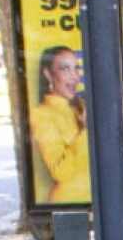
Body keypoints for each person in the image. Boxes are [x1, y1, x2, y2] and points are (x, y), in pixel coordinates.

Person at [31, 45, 90, 203]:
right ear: (48, 75)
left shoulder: (80, 107)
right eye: (65, 69)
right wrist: (86, 132)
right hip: (71, 205)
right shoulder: (42, 114)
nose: (74, 77)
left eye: (76, 69)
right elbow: (61, 171)